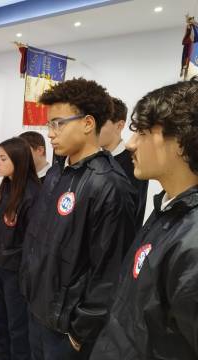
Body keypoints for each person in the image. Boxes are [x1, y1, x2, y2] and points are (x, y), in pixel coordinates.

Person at [20, 78, 137, 359]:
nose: (50, 134)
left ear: (87, 123)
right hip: (38, 308)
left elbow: (109, 272)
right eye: (49, 125)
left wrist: (79, 332)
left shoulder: (109, 185)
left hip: (67, 328)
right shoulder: (59, 170)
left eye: (58, 123)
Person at [91, 78, 198, 359]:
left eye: (141, 132)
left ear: (180, 140)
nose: (130, 144)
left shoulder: (193, 241)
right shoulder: (169, 208)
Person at [0, 137, 40, 360]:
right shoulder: (5, 186)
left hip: (14, 272)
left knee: (17, 323)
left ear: (18, 159)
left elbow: (32, 242)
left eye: (2, 158)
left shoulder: (32, 194)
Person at [99, 97, 149, 229]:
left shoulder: (134, 162)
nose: (93, 128)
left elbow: (131, 214)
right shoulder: (95, 158)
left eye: (101, 123)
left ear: (119, 125)